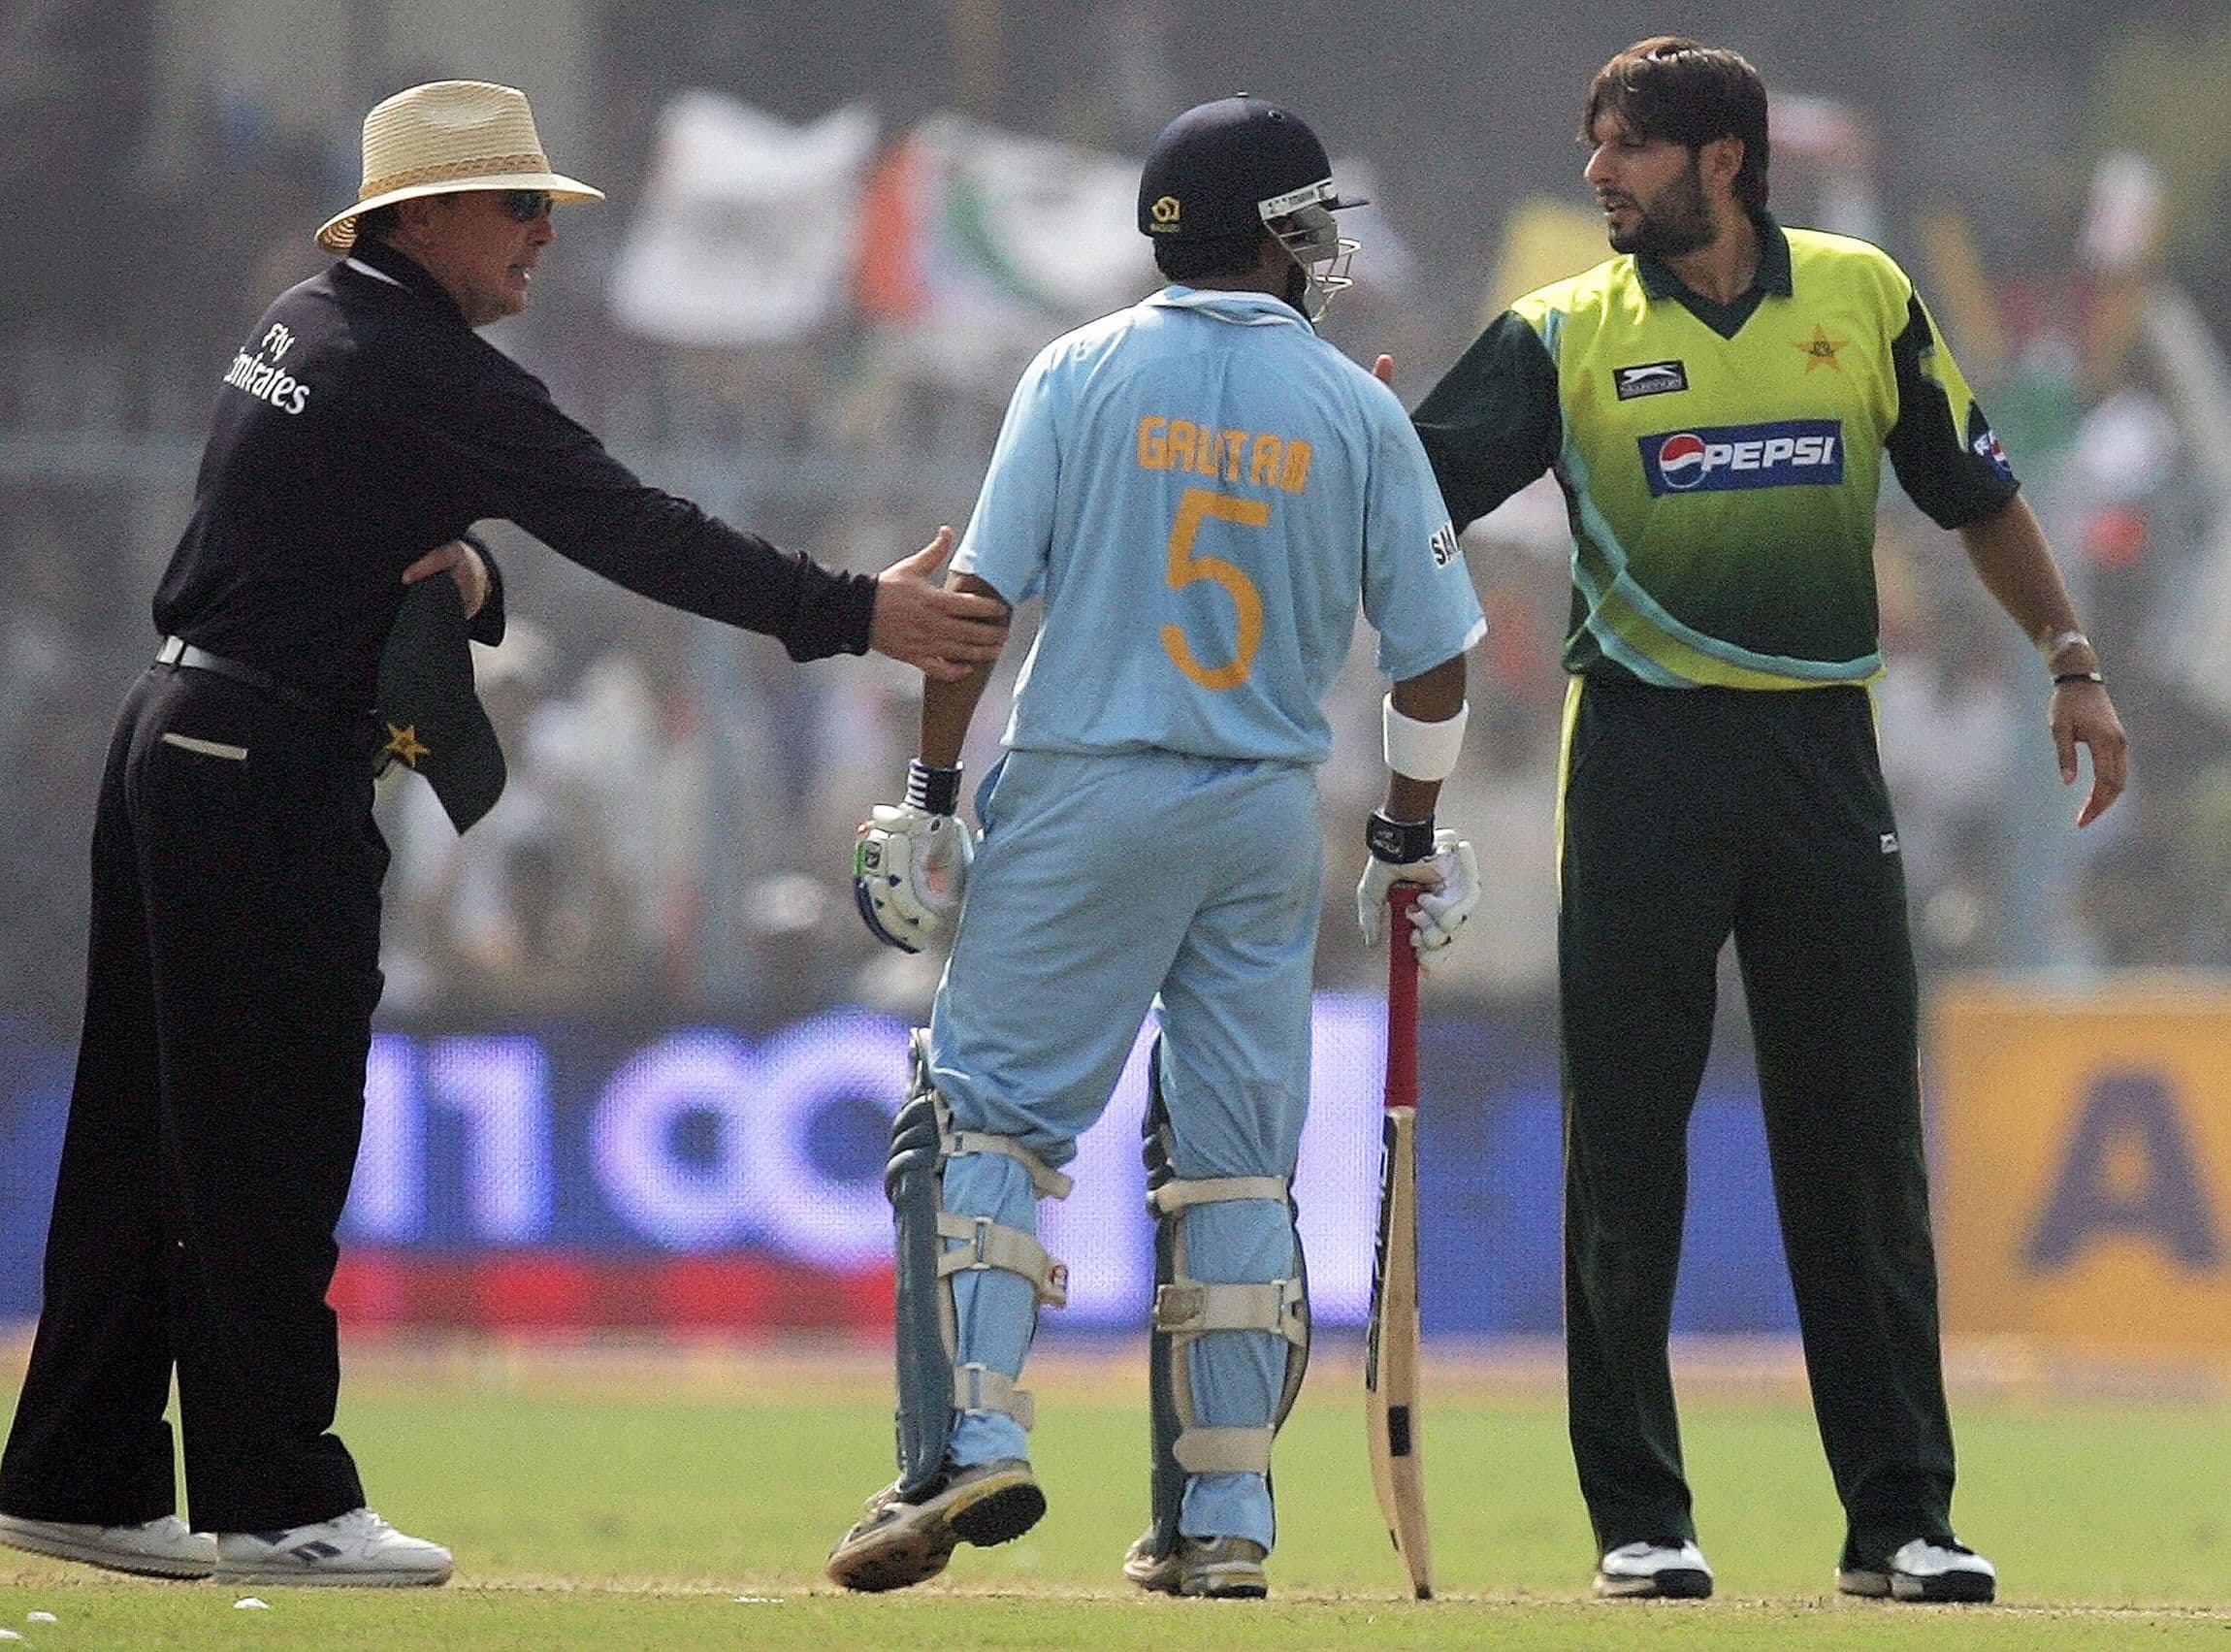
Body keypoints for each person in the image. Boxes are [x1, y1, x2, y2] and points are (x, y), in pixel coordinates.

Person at [0, 79, 1007, 1588]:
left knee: (144, 1140)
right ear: (425, 215)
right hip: (263, 764)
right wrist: (855, 609)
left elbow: (315, 519)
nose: (544, 235)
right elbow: (631, 523)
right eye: (518, 204)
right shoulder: (422, 367)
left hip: (182, 736)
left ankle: (78, 1467)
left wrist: (463, 559)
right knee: (268, 1147)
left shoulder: (311, 323)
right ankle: (278, 1503)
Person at [1409, 38, 2128, 1604]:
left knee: (1860, 1143)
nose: (1599, 174)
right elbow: (1414, 491)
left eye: (1629, 150)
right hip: (1644, 763)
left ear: (1721, 161)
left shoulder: (1862, 299)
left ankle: (1903, 1523)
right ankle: (1641, 1522)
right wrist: (1361, 449)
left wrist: (2071, 662)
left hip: (1821, 757)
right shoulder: (1562, 331)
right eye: (1596, 146)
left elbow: (1979, 490)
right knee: (1628, 1145)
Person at [824, 94, 1486, 1601]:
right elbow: (1435, 659)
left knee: (984, 1120)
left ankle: (970, 1434)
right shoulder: (1354, 408)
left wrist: (933, 795)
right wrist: (1408, 834)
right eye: (1308, 219)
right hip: (1265, 811)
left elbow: (979, 610)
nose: (1325, 247)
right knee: (1238, 1169)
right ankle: (1226, 1521)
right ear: (1265, 232)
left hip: (1089, 787)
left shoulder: (1079, 371)